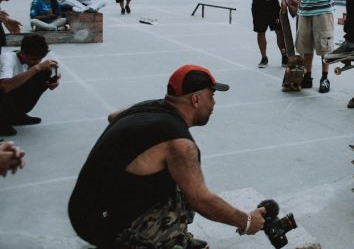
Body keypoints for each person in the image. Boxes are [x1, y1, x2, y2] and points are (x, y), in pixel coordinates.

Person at [68, 65, 266, 247]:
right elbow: (201, 199)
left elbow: (113, 116)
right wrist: (247, 222)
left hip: (85, 210)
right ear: (196, 100)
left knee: (175, 183)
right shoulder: (179, 145)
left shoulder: (149, 107)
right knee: (186, 195)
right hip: (101, 225)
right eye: (211, 96)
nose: (214, 103)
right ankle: (166, 240)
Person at [0, 34, 60, 136]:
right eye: (33, 59)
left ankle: (17, 116)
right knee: (38, 70)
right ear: (23, 53)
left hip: (11, 97)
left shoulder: (31, 60)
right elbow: (5, 87)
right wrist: (37, 68)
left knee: (45, 73)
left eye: (39, 59)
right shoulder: (7, 59)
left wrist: (52, 81)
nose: (36, 62)